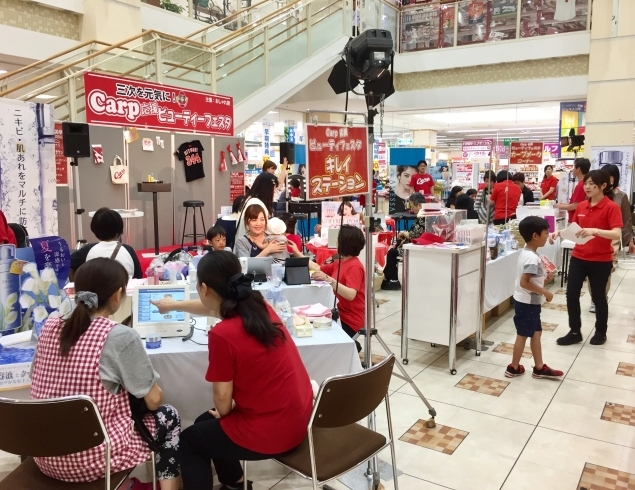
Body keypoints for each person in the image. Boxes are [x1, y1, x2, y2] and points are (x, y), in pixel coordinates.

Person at [30, 258, 180, 490]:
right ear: (118, 294)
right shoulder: (119, 336)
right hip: (95, 460)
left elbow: (36, 379)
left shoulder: (50, 327)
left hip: (46, 455)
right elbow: (153, 400)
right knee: (168, 415)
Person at [177, 252, 313, 490]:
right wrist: (172, 305)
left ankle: (231, 482)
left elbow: (222, 399)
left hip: (274, 432)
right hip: (298, 420)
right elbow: (212, 309)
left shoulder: (222, 334)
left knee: (190, 441)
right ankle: (235, 483)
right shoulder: (260, 307)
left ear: (204, 288)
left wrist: (226, 412)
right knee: (204, 422)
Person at [550, 169, 623, 346]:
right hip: (579, 257)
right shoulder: (582, 205)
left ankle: (600, 331)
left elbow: (616, 234)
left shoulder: (611, 207)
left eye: (592, 184)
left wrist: (595, 231)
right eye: (586, 183)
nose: (588, 187)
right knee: (571, 294)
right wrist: (560, 232)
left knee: (598, 296)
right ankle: (575, 331)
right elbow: (575, 229)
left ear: (603, 186)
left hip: (601, 260)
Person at [505, 216, 563, 380]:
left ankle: (539, 367)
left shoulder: (527, 252)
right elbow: (525, 282)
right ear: (535, 235)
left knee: (536, 333)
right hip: (527, 302)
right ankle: (514, 367)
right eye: (546, 232)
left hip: (527, 300)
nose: (548, 235)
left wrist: (545, 281)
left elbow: (530, 280)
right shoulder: (532, 258)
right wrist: (545, 292)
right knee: (523, 335)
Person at [586, 164, 634, 313]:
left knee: (606, 269)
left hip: (611, 238)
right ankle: (594, 297)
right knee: (590, 270)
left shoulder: (621, 196)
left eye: (610, 175)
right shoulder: (593, 194)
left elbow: (626, 220)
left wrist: (630, 240)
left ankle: (601, 296)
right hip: (592, 237)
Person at [310, 225, 366, 352]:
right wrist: (296, 254)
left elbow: (351, 294)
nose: (336, 242)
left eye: (338, 239)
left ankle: (350, 346)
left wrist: (330, 280)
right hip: (339, 313)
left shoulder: (355, 267)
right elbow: (318, 268)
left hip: (350, 319)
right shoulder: (341, 262)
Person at [70, 207, 142, 280]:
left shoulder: (88, 249)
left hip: (95, 290)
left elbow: (67, 263)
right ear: (119, 229)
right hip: (125, 290)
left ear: (94, 229)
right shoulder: (128, 250)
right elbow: (138, 277)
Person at [382, 193, 426, 290]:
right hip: (414, 244)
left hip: (416, 247)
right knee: (392, 251)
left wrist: (406, 234)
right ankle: (388, 278)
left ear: (419, 205)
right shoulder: (423, 216)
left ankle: (392, 279)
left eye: (412, 206)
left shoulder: (424, 217)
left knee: (392, 253)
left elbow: (414, 235)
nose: (411, 209)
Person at [234, 205, 301, 259]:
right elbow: (245, 265)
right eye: (254, 220)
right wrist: (267, 250)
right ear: (247, 222)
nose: (258, 223)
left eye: (262, 219)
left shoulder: (273, 236)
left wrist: (295, 253)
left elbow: (284, 257)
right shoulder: (242, 242)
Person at [236, 172, 278, 238]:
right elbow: (258, 229)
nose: (274, 192)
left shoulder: (249, 199)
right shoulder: (256, 204)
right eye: (274, 188)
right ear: (267, 189)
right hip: (251, 245)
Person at [555, 157, 590, 222]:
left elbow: (576, 205)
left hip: (576, 220)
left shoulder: (581, 185)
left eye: (574, 167)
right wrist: (565, 204)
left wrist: (560, 206)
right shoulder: (583, 183)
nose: (572, 170)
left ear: (578, 169)